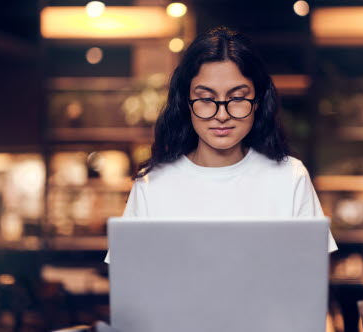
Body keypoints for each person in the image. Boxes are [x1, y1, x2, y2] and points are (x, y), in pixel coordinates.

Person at [105, 26, 336, 263]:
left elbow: (310, 278)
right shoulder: (152, 185)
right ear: (186, 101)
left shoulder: (290, 177)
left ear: (257, 101)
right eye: (206, 99)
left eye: (237, 98)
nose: (222, 115)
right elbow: (129, 284)